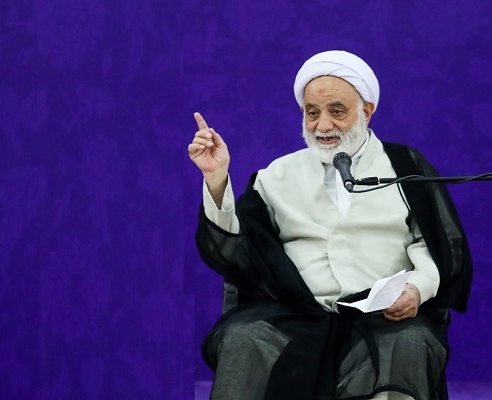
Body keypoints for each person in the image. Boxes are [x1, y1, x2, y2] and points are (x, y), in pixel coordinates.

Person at [187, 50, 472, 400]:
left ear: (366, 111)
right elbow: (238, 250)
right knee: (243, 337)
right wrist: (216, 179)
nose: (322, 126)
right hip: (297, 315)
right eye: (312, 113)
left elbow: (436, 243)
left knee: (409, 342)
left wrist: (417, 288)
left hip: (383, 317)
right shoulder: (276, 175)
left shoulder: (404, 166)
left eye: (337, 112)